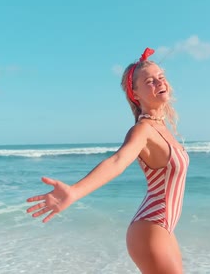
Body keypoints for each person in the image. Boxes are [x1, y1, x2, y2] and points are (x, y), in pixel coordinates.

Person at [26, 47, 190, 274]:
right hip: (151, 227)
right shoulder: (143, 130)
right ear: (136, 94)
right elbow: (118, 161)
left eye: (161, 77)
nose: (159, 83)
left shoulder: (162, 127)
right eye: (149, 81)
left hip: (164, 228)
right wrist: (74, 192)